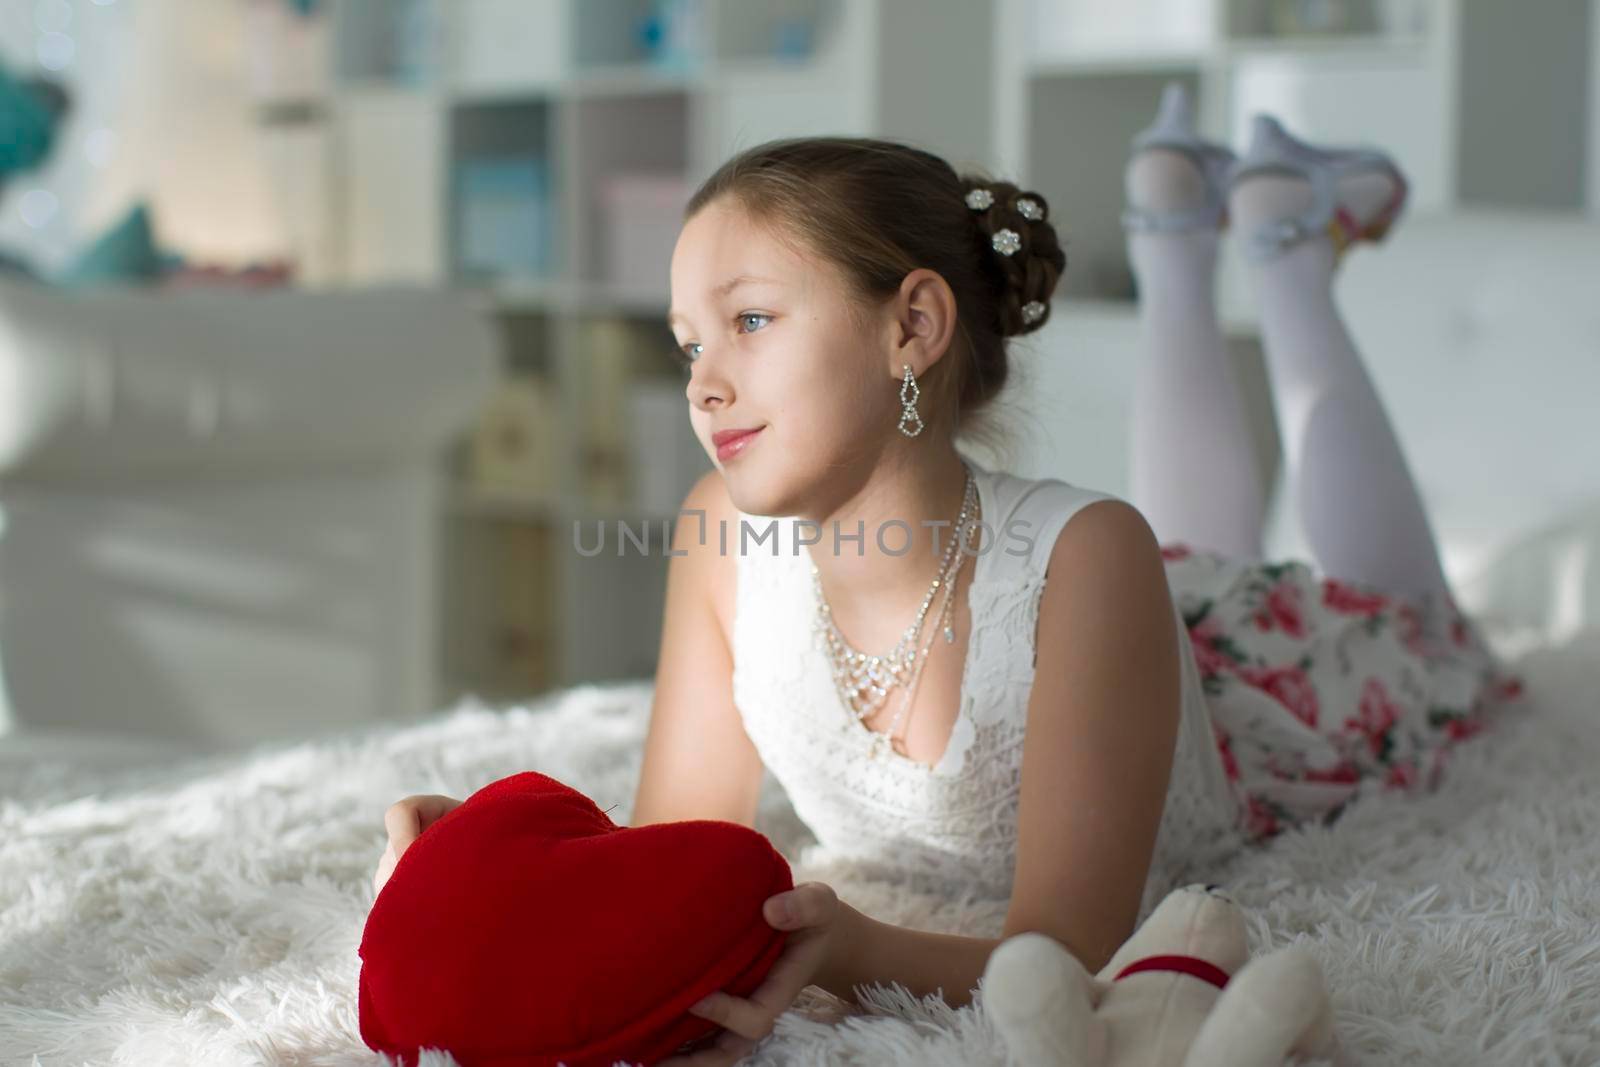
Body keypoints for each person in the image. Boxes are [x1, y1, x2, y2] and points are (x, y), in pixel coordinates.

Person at [377, 86, 1526, 1064]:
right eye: (690, 342)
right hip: (1139, 615)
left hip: (1281, 683)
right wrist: (488, 877)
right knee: (1175, 549)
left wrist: (864, 944)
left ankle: (1284, 254)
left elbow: (1069, 951)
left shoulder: (1087, 557)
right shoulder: (717, 537)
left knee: (1412, 626)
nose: (703, 383)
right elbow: (665, 851)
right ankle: (1178, 229)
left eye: (752, 320)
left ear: (911, 323)